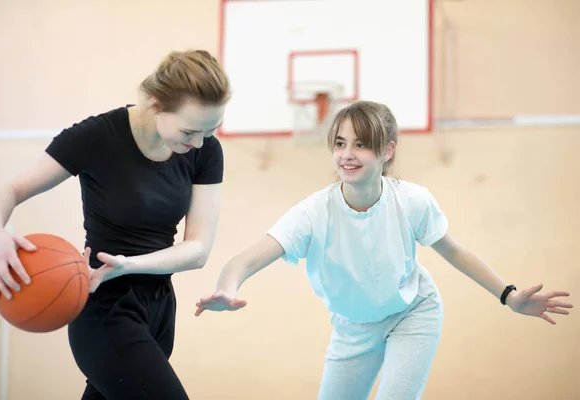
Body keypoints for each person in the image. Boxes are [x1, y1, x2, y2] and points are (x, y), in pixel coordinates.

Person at [195, 100, 574, 400]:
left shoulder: (411, 201)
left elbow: (454, 251)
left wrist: (508, 296)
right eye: (340, 143)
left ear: (387, 150)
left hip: (413, 313)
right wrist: (227, 289)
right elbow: (247, 258)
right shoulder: (313, 212)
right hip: (352, 328)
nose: (348, 154)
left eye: (361, 144)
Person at [0, 49, 231, 399]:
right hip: (105, 305)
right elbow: (10, 189)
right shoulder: (96, 136)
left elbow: (198, 250)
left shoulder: (205, 152)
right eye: (190, 130)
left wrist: (131, 265)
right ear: (157, 104)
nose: (198, 143)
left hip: (159, 307)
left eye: (210, 130)